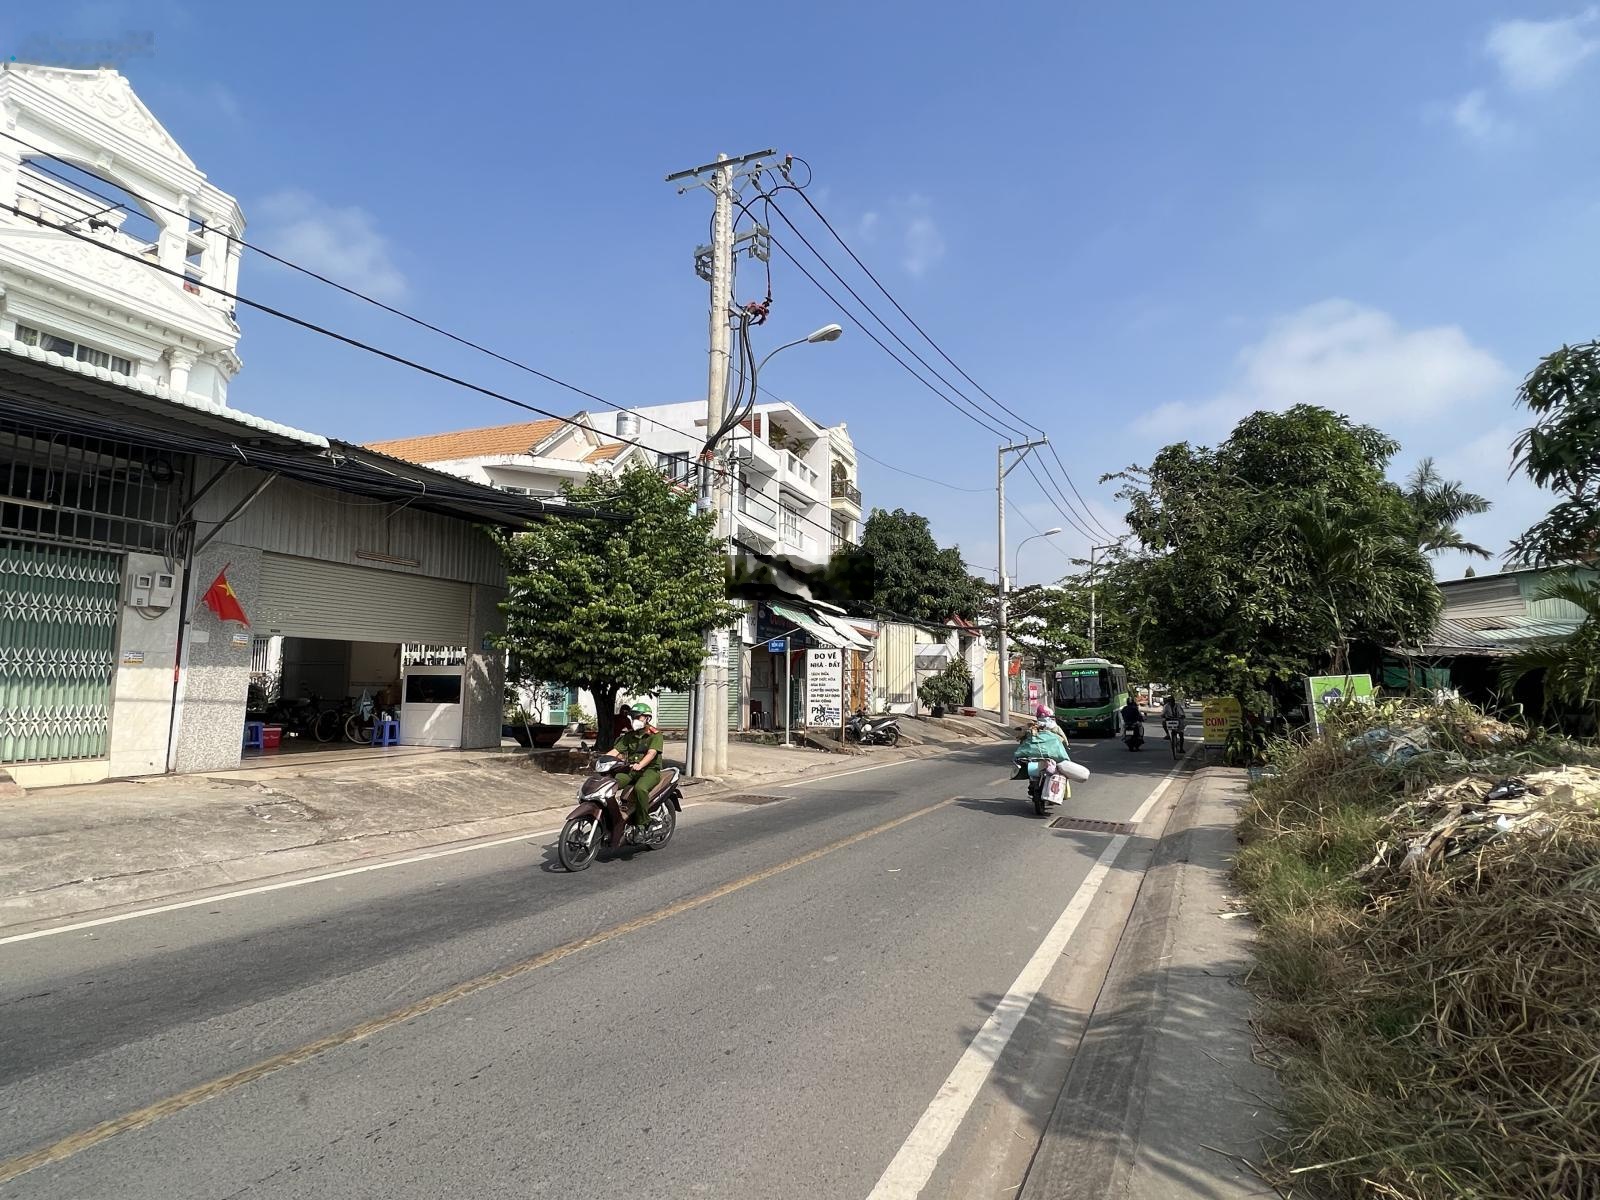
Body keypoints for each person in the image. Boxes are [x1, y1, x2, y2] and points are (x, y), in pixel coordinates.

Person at [607, 701, 664, 828]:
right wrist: (603, 760)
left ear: (647, 718)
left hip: (650, 770)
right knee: (610, 783)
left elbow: (652, 753)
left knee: (640, 788)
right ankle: (614, 816)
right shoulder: (629, 735)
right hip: (631, 769)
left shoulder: (656, 735)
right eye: (633, 717)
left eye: (638, 717)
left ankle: (643, 821)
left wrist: (641, 764)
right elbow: (616, 751)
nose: (635, 720)